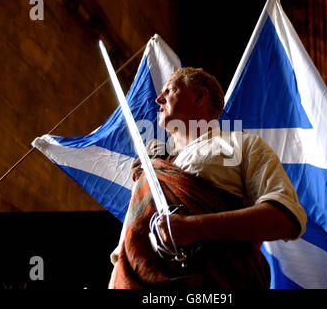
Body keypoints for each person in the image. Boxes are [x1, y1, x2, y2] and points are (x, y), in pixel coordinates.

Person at [109, 67, 307, 289]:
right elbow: (125, 252)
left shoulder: (242, 145)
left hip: (216, 282)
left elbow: (285, 217)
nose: (158, 98)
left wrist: (194, 227)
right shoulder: (152, 166)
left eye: (170, 90)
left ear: (200, 96)